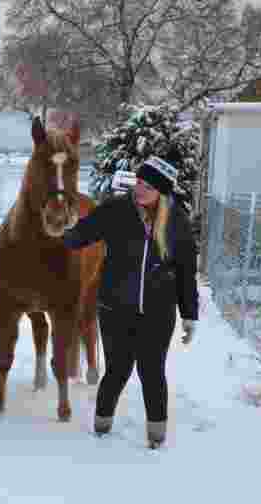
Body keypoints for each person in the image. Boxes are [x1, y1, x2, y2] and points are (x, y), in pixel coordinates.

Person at [62, 156, 198, 449]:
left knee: (151, 371)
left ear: (161, 191)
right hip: (115, 309)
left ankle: (156, 435)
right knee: (117, 369)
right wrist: (61, 235)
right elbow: (83, 233)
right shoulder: (117, 210)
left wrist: (189, 314)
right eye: (138, 181)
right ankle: (101, 425)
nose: (139, 189)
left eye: (148, 186)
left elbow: (186, 271)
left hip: (158, 312)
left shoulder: (177, 221)